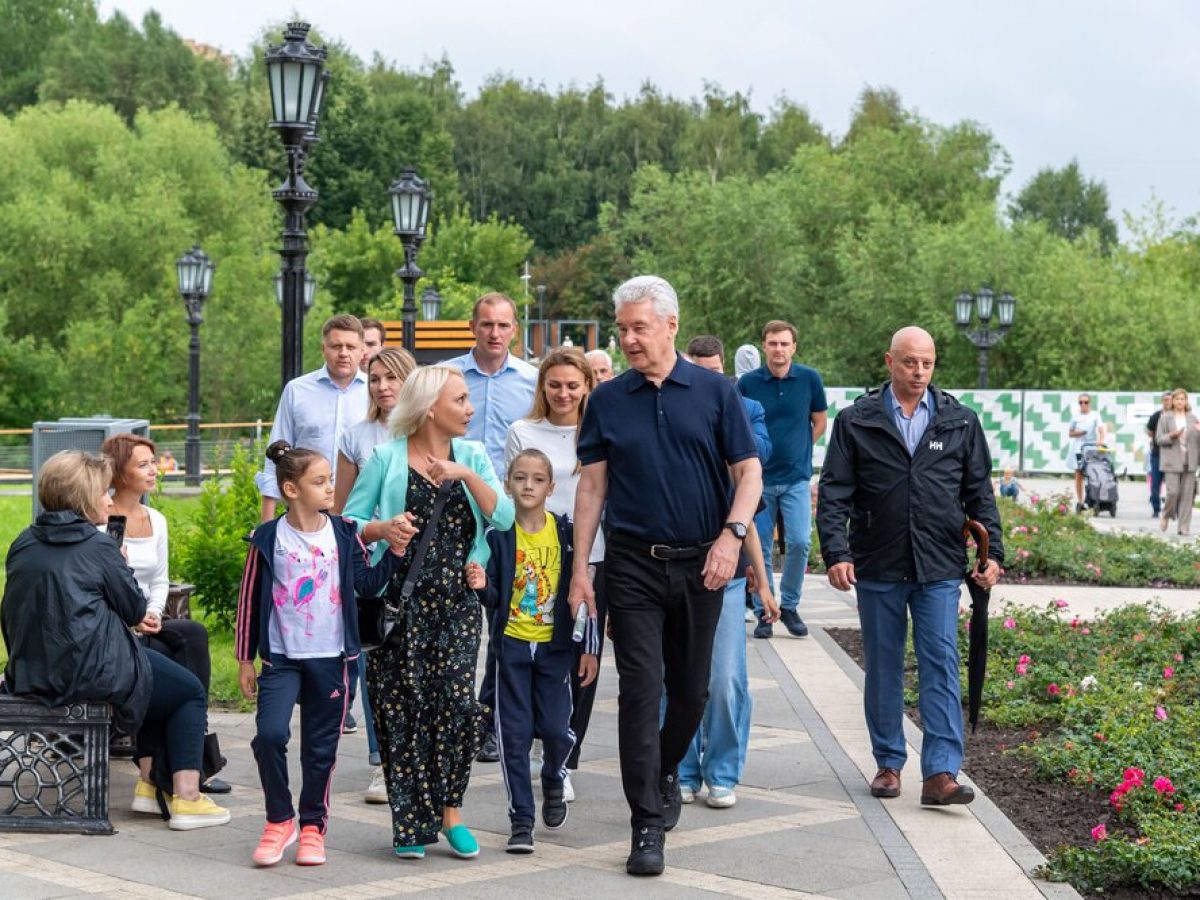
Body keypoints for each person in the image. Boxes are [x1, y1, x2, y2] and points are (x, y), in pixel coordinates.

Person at [571, 275, 762, 877]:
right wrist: (581, 568)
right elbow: (592, 488)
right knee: (640, 691)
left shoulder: (716, 392)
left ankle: (663, 770)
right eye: (622, 329)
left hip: (704, 564)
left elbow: (749, 474)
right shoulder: (606, 400)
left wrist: (732, 540)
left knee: (693, 692)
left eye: (638, 328)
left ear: (670, 326)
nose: (627, 339)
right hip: (631, 564)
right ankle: (646, 822)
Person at [817, 326, 1003, 808]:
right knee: (883, 664)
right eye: (909, 363)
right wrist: (837, 552)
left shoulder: (959, 421)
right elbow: (835, 492)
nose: (919, 372)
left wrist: (994, 554)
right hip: (878, 562)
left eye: (927, 363)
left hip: (939, 564)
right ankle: (888, 763)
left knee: (940, 662)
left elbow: (980, 493)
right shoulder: (855, 420)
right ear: (889, 362)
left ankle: (941, 772)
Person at [2, 450, 230, 831]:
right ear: (83, 497)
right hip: (90, 671)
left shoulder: (25, 541)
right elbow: (134, 610)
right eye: (103, 491)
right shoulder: (99, 547)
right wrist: (119, 564)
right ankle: (188, 798)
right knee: (187, 690)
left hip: (32, 668)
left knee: (163, 674)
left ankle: (149, 784)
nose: (109, 499)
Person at [343, 365, 514, 860]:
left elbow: (501, 516)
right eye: (460, 400)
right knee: (401, 710)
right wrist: (381, 529)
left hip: (457, 603)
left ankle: (450, 810)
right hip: (400, 604)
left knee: (457, 707)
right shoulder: (385, 458)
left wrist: (464, 475)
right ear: (430, 407)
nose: (470, 408)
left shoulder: (474, 455)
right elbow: (349, 521)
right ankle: (411, 822)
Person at [235, 442, 404, 867]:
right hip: (281, 659)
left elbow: (366, 584)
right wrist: (244, 659)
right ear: (291, 489)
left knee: (320, 749)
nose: (330, 487)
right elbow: (249, 599)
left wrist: (397, 553)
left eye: (329, 479)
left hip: (332, 659)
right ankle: (279, 820)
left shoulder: (344, 532)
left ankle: (312, 827)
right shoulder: (268, 537)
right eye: (320, 481)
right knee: (269, 735)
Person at [472, 448, 599, 854]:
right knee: (514, 736)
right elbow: (494, 597)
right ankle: (521, 821)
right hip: (510, 652)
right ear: (507, 485)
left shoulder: (564, 533)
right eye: (520, 478)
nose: (528, 485)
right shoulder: (499, 537)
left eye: (537, 479)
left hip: (554, 651)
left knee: (559, 731)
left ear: (551, 486)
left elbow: (583, 596)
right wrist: (479, 585)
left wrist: (589, 648)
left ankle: (552, 775)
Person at [681, 336, 779, 809]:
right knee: (676, 676)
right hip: (677, 564)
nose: (710, 380)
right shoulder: (675, 412)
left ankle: (721, 769)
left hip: (729, 569)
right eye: (700, 371)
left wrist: (765, 582)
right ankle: (681, 767)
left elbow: (753, 473)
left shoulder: (745, 410)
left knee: (725, 679)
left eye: (717, 372)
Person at [101, 433, 228, 795]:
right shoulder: (100, 516)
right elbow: (103, 584)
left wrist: (153, 612)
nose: (154, 470)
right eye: (143, 464)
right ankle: (167, 770)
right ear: (119, 472)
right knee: (161, 660)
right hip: (116, 624)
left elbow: (160, 579)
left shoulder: (156, 518)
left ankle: (182, 759)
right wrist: (133, 617)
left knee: (192, 634)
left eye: (153, 463)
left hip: (146, 618)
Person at [442, 293, 536, 762]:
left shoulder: (531, 382)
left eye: (503, 325)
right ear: (473, 327)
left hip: (510, 518)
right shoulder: (450, 378)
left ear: (514, 329)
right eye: (486, 324)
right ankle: (454, 715)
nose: (494, 333)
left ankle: (492, 718)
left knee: (504, 623)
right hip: (454, 520)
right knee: (456, 623)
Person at [504, 347, 601, 801]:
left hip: (589, 554)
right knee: (538, 653)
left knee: (583, 657)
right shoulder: (523, 430)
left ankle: (562, 759)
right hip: (534, 556)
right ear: (542, 386)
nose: (563, 393)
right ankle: (534, 744)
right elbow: (512, 494)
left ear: (586, 387)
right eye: (555, 384)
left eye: (572, 385)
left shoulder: (598, 430)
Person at [330, 346, 416, 802]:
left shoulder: (428, 431)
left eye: (392, 378)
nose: (383, 387)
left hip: (420, 562)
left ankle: (417, 755)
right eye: (375, 378)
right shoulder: (358, 436)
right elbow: (343, 514)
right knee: (375, 662)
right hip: (373, 568)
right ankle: (381, 761)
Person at [738, 320, 828, 640]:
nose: (779, 349)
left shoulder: (809, 379)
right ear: (764, 346)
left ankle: (789, 605)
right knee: (759, 547)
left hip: (795, 477)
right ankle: (766, 609)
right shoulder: (747, 383)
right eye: (773, 343)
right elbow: (737, 425)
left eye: (784, 343)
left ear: (794, 347)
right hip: (758, 478)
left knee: (801, 542)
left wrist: (802, 449)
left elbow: (819, 421)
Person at [256, 314, 368, 523]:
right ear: (323, 349)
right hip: (306, 513)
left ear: (363, 351)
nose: (343, 353)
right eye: (336, 346)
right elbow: (277, 456)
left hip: (361, 512)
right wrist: (267, 525)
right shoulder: (297, 391)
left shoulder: (375, 394)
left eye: (351, 347)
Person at [1155, 388, 1199, 536]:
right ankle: (1166, 514)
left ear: (1186, 401)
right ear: (1172, 401)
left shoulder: (1193, 418)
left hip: (1190, 460)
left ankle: (1183, 527)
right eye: (1177, 399)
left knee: (1187, 496)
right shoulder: (1165, 418)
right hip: (1171, 460)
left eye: (1183, 399)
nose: (1180, 401)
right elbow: (1159, 439)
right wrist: (1172, 435)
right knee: (1173, 492)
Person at [1068, 393, 1105, 512]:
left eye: (1086, 402)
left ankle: (1094, 498)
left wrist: (1100, 440)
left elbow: (1101, 429)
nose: (1083, 404)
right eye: (1081, 402)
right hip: (1079, 446)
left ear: (1089, 403)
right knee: (1078, 473)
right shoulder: (1075, 416)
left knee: (1093, 473)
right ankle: (1080, 500)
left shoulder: (1095, 415)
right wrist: (1079, 433)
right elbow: (1070, 433)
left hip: (1091, 446)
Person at [1147, 391, 1171, 518]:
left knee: (1173, 485)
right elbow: (1149, 431)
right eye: (1165, 400)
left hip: (1172, 455)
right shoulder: (1156, 416)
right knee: (1155, 483)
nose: (1167, 402)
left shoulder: (1176, 416)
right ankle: (1156, 508)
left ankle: (1172, 509)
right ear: (1162, 401)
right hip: (1157, 454)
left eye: (1169, 399)